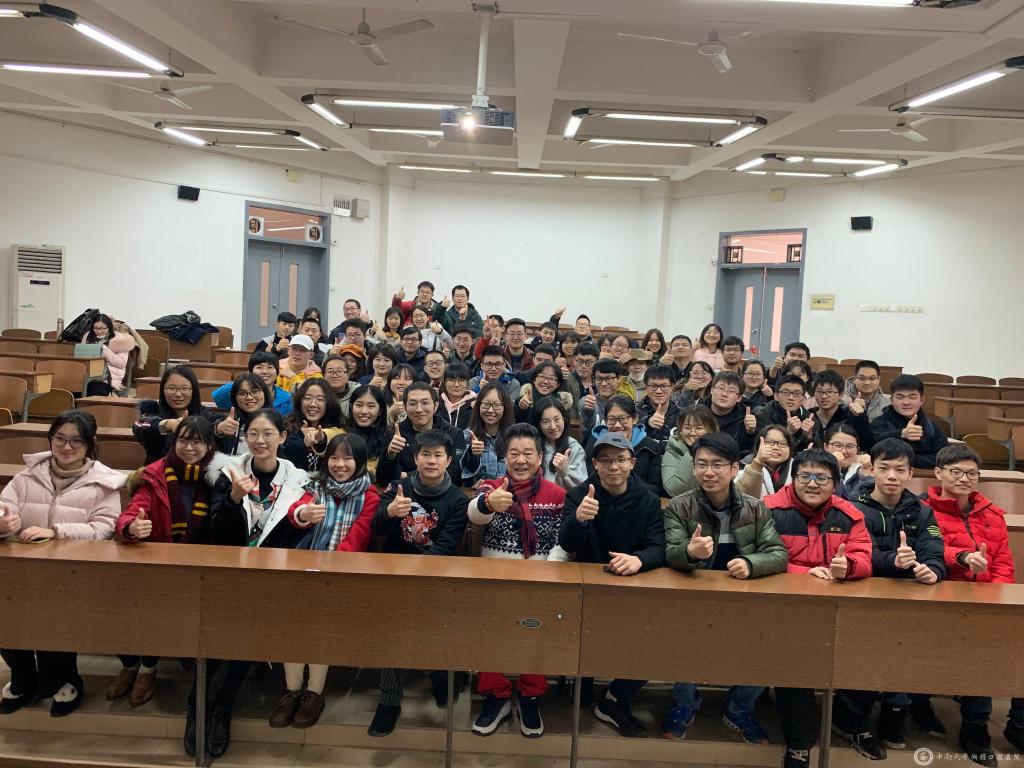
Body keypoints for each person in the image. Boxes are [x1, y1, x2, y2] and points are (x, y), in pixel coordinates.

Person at [661, 433, 788, 743]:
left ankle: (740, 707)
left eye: (717, 464)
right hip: (695, 598)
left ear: (734, 469)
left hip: (744, 600)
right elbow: (670, 552)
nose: (709, 472)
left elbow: (778, 554)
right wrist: (690, 552)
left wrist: (751, 563)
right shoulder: (679, 506)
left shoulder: (756, 508)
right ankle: (685, 702)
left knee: (770, 640)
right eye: (701, 464)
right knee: (686, 637)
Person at [0, 410, 126, 718]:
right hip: (22, 569)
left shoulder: (104, 483)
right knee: (9, 620)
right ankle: (23, 678)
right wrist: (3, 524)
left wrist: (56, 531)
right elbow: (3, 508)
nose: (66, 447)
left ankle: (64, 681)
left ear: (89, 444)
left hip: (71, 571)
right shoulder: (26, 476)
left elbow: (104, 528)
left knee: (56, 626)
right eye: (59, 438)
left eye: (76, 441)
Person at [202, 408, 310, 758]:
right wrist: (234, 497)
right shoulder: (228, 471)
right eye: (252, 434)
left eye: (267, 434)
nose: (259, 441)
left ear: (282, 437)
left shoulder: (297, 479)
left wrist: (300, 519)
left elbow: (293, 533)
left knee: (249, 636)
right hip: (229, 570)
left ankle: (223, 706)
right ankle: (196, 706)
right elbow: (217, 531)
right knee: (214, 637)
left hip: (270, 576)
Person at [764, 448, 873, 768]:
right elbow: (760, 554)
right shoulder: (769, 509)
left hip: (836, 607)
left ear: (835, 483)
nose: (812, 484)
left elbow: (864, 557)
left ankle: (849, 722)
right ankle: (799, 743)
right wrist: (803, 573)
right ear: (793, 478)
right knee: (794, 666)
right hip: (784, 609)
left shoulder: (849, 514)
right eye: (805, 476)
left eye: (822, 478)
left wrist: (848, 567)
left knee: (866, 653)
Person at [914, 444, 1023, 765]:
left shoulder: (991, 514)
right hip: (941, 597)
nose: (964, 479)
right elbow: (930, 550)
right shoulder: (922, 510)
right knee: (980, 650)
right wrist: (962, 558)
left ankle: (1018, 724)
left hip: (986, 599)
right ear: (938, 473)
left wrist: (998, 600)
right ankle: (975, 727)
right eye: (957, 472)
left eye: (971, 473)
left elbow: (1003, 563)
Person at [559, 432, 666, 738]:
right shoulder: (579, 495)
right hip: (587, 590)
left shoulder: (648, 499)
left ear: (632, 463)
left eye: (620, 459)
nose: (613, 466)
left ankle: (615, 697)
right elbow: (566, 543)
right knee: (582, 653)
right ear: (594, 464)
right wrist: (579, 519)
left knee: (657, 641)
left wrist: (639, 560)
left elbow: (659, 547)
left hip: (633, 589)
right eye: (605, 460)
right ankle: (582, 684)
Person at [271, 433, 380, 730]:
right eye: (334, 457)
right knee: (292, 627)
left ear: (360, 462)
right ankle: (292, 691)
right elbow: (294, 512)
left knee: (320, 631)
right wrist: (303, 514)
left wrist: (326, 572)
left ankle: (314, 693)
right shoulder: (314, 486)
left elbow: (357, 539)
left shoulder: (369, 496)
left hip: (339, 576)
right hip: (302, 570)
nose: (339, 464)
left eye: (348, 458)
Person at [109, 415, 220, 707]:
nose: (189, 448)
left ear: (209, 446)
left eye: (197, 442)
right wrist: (131, 527)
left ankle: (147, 669)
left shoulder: (218, 478)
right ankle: (131, 666)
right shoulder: (155, 474)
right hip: (158, 562)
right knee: (130, 607)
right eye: (183, 440)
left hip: (199, 567)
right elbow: (133, 511)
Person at [845, 438, 946, 755]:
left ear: (911, 473)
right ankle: (853, 722)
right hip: (862, 598)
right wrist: (893, 562)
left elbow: (934, 552)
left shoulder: (922, 511)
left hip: (907, 599)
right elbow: (857, 553)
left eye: (900, 470)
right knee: (861, 660)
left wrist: (932, 570)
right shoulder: (853, 508)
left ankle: (895, 713)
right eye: (884, 468)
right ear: (871, 469)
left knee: (905, 655)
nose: (892, 476)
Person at [467, 424, 569, 737]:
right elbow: (474, 514)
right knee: (489, 635)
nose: (520, 460)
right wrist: (488, 503)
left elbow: (563, 542)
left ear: (540, 458)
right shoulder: (493, 487)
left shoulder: (556, 495)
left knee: (535, 638)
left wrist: (548, 574)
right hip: (494, 581)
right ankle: (495, 695)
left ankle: (530, 696)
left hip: (539, 583)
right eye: (514, 453)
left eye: (527, 453)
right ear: (505, 457)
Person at [369, 430, 469, 737]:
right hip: (396, 575)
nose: (431, 461)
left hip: (437, 575)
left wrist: (418, 576)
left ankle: (439, 674)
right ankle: (389, 700)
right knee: (395, 630)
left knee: (436, 626)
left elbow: (447, 545)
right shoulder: (400, 487)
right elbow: (376, 525)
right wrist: (389, 512)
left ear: (449, 461)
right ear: (415, 458)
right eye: (426, 454)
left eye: (438, 455)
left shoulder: (457, 500)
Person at [377, 382, 475, 487]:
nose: (419, 409)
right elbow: (384, 479)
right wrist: (390, 455)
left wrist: (406, 475)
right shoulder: (394, 433)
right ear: (405, 406)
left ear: (436, 405)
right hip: (404, 493)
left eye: (425, 403)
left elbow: (455, 476)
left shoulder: (453, 433)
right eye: (413, 404)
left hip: (441, 494)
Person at [133, 365, 220, 465]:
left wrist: (219, 429)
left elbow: (216, 425)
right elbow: (139, 426)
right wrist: (167, 425)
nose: (178, 394)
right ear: (163, 390)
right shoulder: (152, 412)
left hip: (198, 472)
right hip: (160, 472)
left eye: (184, 388)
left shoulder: (203, 414)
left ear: (194, 390)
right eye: (172, 388)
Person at [589, 395, 664, 496]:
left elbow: (656, 488)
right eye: (611, 419)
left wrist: (624, 487)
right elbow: (590, 480)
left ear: (634, 419)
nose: (617, 425)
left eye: (623, 419)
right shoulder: (595, 442)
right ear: (605, 421)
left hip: (639, 500)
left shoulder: (650, 446)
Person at [870, 374, 948, 469]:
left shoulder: (931, 426)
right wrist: (901, 434)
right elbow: (873, 450)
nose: (906, 402)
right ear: (892, 400)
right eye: (900, 397)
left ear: (922, 400)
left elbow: (944, 457)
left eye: (912, 397)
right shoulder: (879, 423)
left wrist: (909, 460)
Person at [281, 379, 345, 474]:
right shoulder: (285, 426)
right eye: (307, 398)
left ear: (329, 402)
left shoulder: (339, 427)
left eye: (320, 399)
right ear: (299, 401)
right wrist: (302, 443)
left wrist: (321, 441)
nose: (313, 404)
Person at [460, 383, 514, 486]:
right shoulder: (467, 435)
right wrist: (472, 454)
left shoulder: (514, 437)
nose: (490, 410)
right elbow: (463, 473)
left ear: (505, 407)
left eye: (497, 405)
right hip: (477, 493)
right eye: (485, 404)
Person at [807, 369, 874, 451]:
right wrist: (808, 437)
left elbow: (868, 445)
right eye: (819, 392)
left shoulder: (850, 416)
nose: (824, 396)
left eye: (830, 392)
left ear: (841, 394)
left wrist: (860, 417)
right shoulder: (808, 416)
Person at [211, 351, 292, 416]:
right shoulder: (240, 393)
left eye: (270, 367)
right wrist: (243, 381)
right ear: (250, 371)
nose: (265, 372)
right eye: (259, 367)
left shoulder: (287, 399)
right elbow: (218, 397)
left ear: (277, 372)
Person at [661, 405, 718, 497]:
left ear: (710, 430)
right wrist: (694, 452)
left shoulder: (720, 450)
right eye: (687, 428)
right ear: (680, 430)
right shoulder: (673, 450)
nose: (693, 433)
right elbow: (674, 490)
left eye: (699, 428)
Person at [533, 396, 587, 490]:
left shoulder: (574, 448)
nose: (553, 426)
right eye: (546, 421)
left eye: (557, 419)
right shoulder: (532, 446)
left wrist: (565, 472)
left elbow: (582, 488)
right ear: (538, 425)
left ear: (564, 419)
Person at [214, 374, 272, 456]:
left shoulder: (277, 421)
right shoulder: (230, 422)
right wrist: (219, 430)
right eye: (242, 393)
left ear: (265, 394)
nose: (249, 397)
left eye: (255, 392)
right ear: (235, 398)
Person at [754, 373, 813, 453]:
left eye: (796, 393)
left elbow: (819, 452)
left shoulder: (809, 418)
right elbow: (758, 449)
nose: (791, 398)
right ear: (776, 396)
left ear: (803, 398)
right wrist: (788, 432)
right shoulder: (762, 415)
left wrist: (809, 437)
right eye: (785, 392)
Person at [580, 359, 633, 447]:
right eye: (599, 379)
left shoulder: (627, 403)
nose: (603, 383)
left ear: (619, 378)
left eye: (608, 379)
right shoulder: (588, 402)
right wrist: (586, 408)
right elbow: (584, 414)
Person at [82, 312, 137, 395]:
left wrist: (104, 350)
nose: (99, 331)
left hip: (108, 378)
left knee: (91, 389)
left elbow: (121, 364)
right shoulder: (88, 336)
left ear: (109, 327)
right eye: (96, 328)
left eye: (102, 328)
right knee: (74, 388)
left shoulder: (119, 339)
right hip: (87, 375)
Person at [736, 425, 796, 500]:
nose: (775, 447)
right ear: (758, 446)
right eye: (769, 442)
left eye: (782, 444)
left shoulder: (798, 469)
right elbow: (743, 498)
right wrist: (758, 462)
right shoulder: (743, 467)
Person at [346, 385, 392, 482]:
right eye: (359, 405)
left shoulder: (389, 435)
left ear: (380, 410)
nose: (364, 411)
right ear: (351, 407)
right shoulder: (342, 432)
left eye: (371, 406)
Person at [705, 371, 756, 455]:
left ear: (739, 398)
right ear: (712, 390)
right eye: (721, 388)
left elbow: (746, 452)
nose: (724, 394)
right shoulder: (697, 410)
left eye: (731, 391)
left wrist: (750, 433)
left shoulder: (745, 418)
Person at [824, 423, 871, 499]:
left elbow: (853, 499)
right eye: (838, 445)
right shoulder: (815, 468)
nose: (844, 451)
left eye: (850, 446)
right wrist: (835, 467)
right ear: (826, 447)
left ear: (857, 449)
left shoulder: (864, 471)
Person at [636, 364, 679, 445]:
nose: (658, 391)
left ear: (672, 387)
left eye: (664, 386)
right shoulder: (634, 413)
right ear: (646, 387)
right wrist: (647, 425)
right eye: (653, 386)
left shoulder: (681, 414)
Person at [439, 362, 476, 429]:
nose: (456, 385)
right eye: (451, 380)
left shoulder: (475, 405)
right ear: (444, 382)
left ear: (467, 383)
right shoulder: (436, 405)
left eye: (461, 380)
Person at [564, 341, 598, 409]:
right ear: (574, 361)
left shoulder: (600, 383)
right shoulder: (566, 381)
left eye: (588, 362)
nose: (583, 366)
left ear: (596, 363)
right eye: (580, 361)